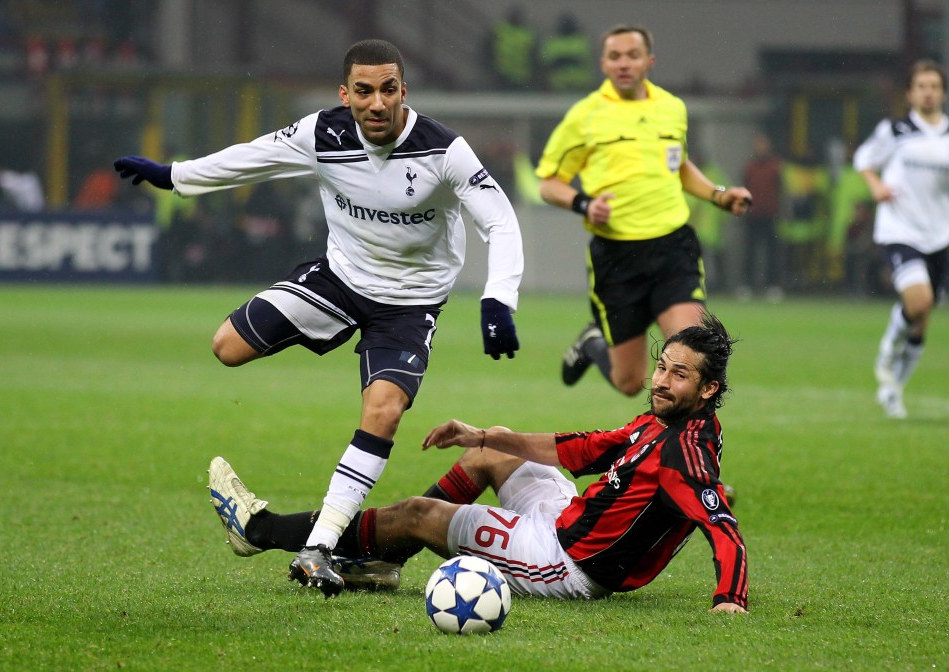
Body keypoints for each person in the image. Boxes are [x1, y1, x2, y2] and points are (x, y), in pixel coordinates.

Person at [115, 39, 524, 597]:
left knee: (383, 410)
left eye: (388, 90)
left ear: (403, 91)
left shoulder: (443, 150)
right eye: (363, 91)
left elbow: (499, 220)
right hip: (340, 280)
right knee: (226, 346)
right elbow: (254, 156)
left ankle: (319, 545)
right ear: (345, 94)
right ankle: (300, 536)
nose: (376, 103)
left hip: (408, 303)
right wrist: (176, 176)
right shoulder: (322, 134)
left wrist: (498, 299)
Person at [208, 313, 748, 613]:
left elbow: (721, 524)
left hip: (567, 564)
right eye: (663, 366)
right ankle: (388, 555)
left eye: (680, 375)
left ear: (708, 388)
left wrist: (731, 599)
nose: (660, 380)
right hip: (566, 518)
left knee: (420, 513)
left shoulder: (686, 451)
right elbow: (585, 448)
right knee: (492, 450)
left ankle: (261, 530)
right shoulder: (665, 421)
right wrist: (485, 434)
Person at [534, 25, 752, 397]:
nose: (623, 63)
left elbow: (679, 166)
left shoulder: (671, 108)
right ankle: (592, 343)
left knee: (690, 356)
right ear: (603, 64)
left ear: (649, 61)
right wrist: (585, 203)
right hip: (617, 257)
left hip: (672, 248)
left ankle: (681, 452)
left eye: (632, 55)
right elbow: (549, 182)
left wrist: (718, 195)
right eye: (615, 56)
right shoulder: (585, 116)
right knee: (631, 383)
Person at [853, 59, 949, 419]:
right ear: (910, 93)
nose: (928, 92)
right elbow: (863, 158)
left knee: (923, 317)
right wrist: (876, 185)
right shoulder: (895, 130)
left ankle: (893, 388)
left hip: (940, 235)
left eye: (934, 86)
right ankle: (887, 349)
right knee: (919, 301)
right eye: (921, 85)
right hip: (901, 230)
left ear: (942, 92)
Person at [740, 132, 784, 300]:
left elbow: (780, 190)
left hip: (770, 215)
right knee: (750, 253)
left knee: (772, 252)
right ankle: (747, 286)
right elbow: (744, 189)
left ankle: (773, 286)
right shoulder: (749, 166)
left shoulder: (775, 166)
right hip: (752, 215)